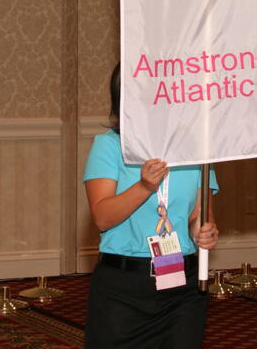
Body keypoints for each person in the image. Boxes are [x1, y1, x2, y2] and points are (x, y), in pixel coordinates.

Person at [84, 64, 219, 349]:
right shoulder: (110, 145)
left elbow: (199, 218)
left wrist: (203, 232)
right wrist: (145, 187)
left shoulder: (197, 147)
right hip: (123, 289)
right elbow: (102, 218)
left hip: (182, 287)